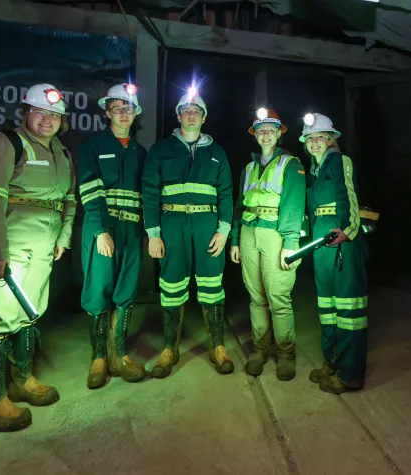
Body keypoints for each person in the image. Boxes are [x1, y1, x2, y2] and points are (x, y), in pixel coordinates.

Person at [0, 84, 76, 431]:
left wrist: (64, 237)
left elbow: (69, 199)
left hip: (43, 246)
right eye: (41, 112)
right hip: (8, 246)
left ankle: (21, 381)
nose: (47, 120)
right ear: (25, 112)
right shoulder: (3, 145)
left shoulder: (63, 153)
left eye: (55, 115)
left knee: (29, 312)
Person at [141, 87, 235, 378]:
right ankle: (170, 348)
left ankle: (218, 346)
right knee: (171, 287)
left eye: (197, 111)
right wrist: (153, 233)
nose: (191, 114)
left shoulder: (217, 152)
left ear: (204, 118)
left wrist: (224, 230)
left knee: (211, 285)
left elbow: (227, 194)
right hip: (172, 225)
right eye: (186, 110)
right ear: (178, 115)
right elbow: (150, 191)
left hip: (207, 226)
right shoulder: (161, 149)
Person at [77, 83, 148, 389]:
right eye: (118, 108)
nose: (124, 113)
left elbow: (146, 195)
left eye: (129, 108)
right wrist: (99, 231)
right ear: (107, 112)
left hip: (131, 230)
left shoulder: (139, 151)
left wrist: (146, 232)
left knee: (126, 290)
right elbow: (90, 191)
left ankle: (118, 355)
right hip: (103, 229)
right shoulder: (93, 146)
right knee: (98, 290)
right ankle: (98, 357)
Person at [229, 108, 306, 381]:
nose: (265, 134)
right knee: (256, 297)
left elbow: (294, 206)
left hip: (276, 234)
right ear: (255, 135)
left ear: (278, 134)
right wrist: (236, 239)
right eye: (260, 130)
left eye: (270, 130)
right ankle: (260, 349)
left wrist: (290, 243)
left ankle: (286, 353)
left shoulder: (291, 164)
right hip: (249, 233)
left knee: (278, 297)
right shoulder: (249, 168)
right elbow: (240, 205)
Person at [299, 112, 367, 394]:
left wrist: (347, 231)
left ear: (331, 140)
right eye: (310, 138)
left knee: (349, 311)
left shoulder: (340, 161)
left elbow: (349, 197)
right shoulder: (313, 170)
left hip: (342, 244)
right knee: (327, 309)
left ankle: (350, 374)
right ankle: (332, 361)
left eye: (320, 138)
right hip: (321, 245)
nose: (315, 143)